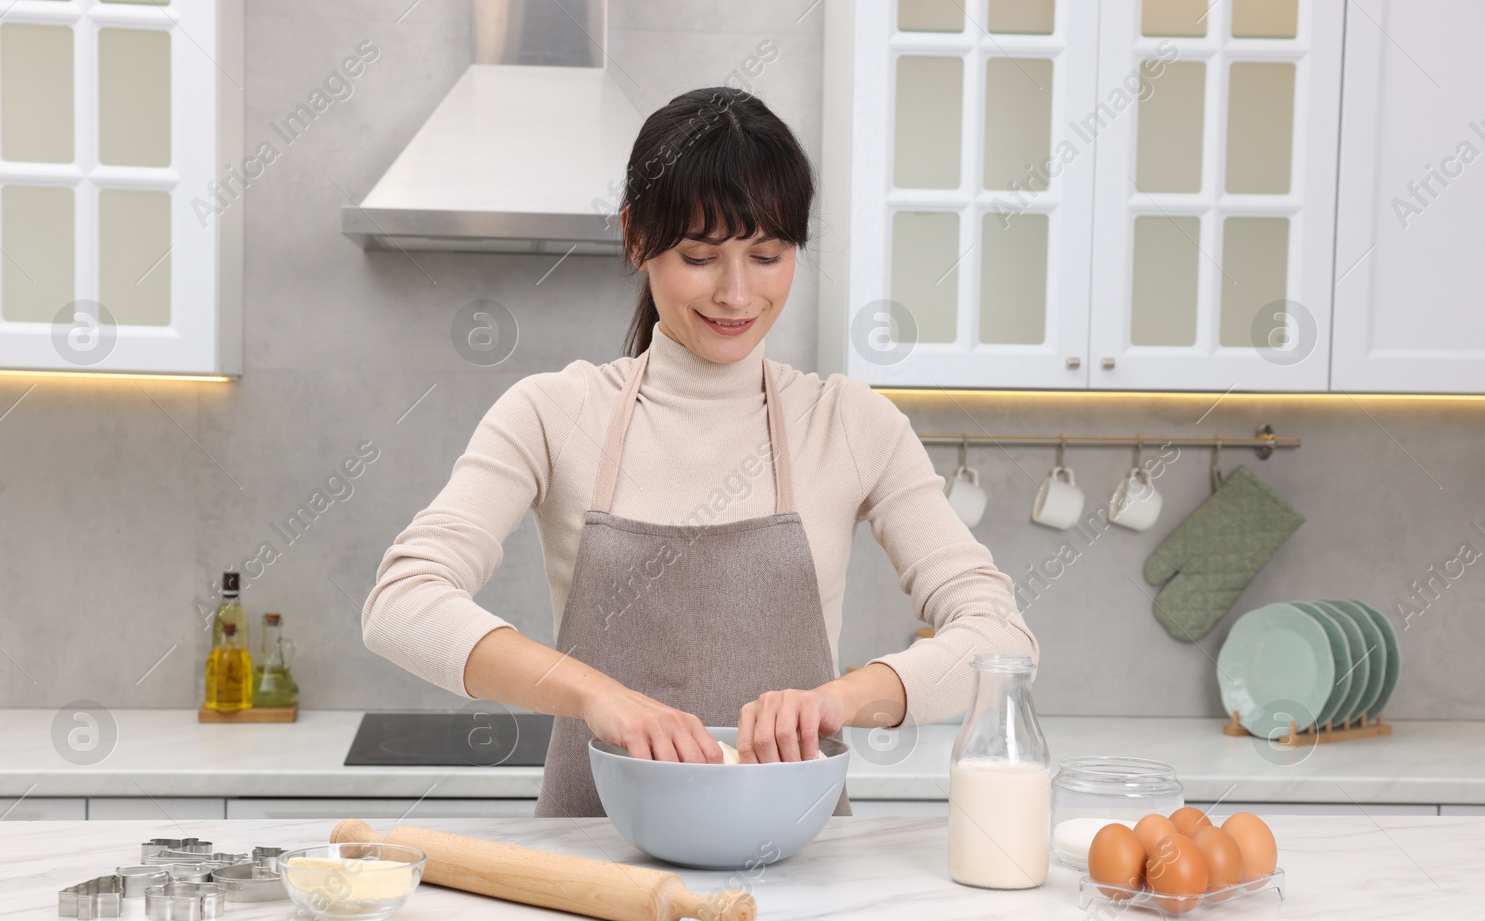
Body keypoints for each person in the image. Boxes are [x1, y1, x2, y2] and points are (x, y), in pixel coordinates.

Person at [363, 87, 1038, 818]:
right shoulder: (554, 413)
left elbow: (1002, 637)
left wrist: (840, 699)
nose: (737, 292)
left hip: (796, 879)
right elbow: (401, 602)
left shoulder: (849, 422)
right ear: (635, 238)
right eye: (699, 256)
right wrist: (596, 694)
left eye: (768, 254)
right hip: (597, 877)